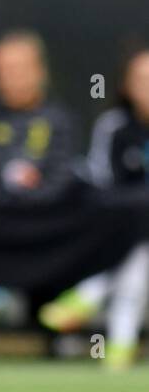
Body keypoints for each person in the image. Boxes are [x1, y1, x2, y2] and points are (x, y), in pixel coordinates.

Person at [39, 45, 149, 368]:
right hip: (121, 227)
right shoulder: (113, 126)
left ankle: (91, 295)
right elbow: (102, 184)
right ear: (126, 85)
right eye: (141, 79)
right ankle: (120, 344)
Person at [0, 31, 80, 206]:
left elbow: (65, 182)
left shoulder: (62, 121)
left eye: (19, 70)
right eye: (2, 71)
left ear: (41, 71)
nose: (11, 79)